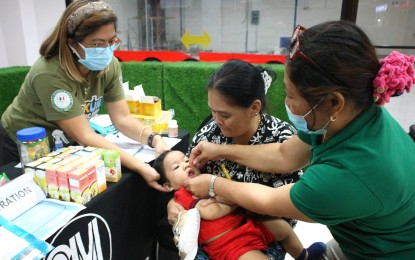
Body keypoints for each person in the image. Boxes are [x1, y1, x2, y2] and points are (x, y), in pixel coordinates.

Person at [186, 20, 415, 259]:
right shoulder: (345, 115)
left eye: (291, 95)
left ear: (334, 102)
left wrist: (213, 184)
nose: (286, 103)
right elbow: (284, 155)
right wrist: (221, 150)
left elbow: (270, 201)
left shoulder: (349, 172)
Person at [0, 0, 170, 191]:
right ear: (71, 42)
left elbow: (122, 118)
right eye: (97, 43)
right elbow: (84, 136)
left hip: (63, 146)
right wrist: (140, 166)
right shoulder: (49, 73)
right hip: (24, 146)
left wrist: (155, 139)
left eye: (111, 41)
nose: (106, 49)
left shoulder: (108, 65)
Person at [167, 59, 304, 259]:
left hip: (264, 235)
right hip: (214, 234)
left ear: (254, 107)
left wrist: (220, 189)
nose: (216, 120)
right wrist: (174, 204)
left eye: (224, 114)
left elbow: (284, 210)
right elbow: (187, 180)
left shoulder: (281, 137)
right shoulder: (208, 135)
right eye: (212, 111)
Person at [154, 150, 326, 260]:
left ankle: (304, 255)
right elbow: (209, 211)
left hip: (247, 224)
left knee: (283, 229)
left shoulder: (205, 178)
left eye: (185, 160)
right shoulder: (182, 195)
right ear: (168, 186)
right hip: (229, 244)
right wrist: (235, 200)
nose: (184, 165)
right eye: (176, 167)